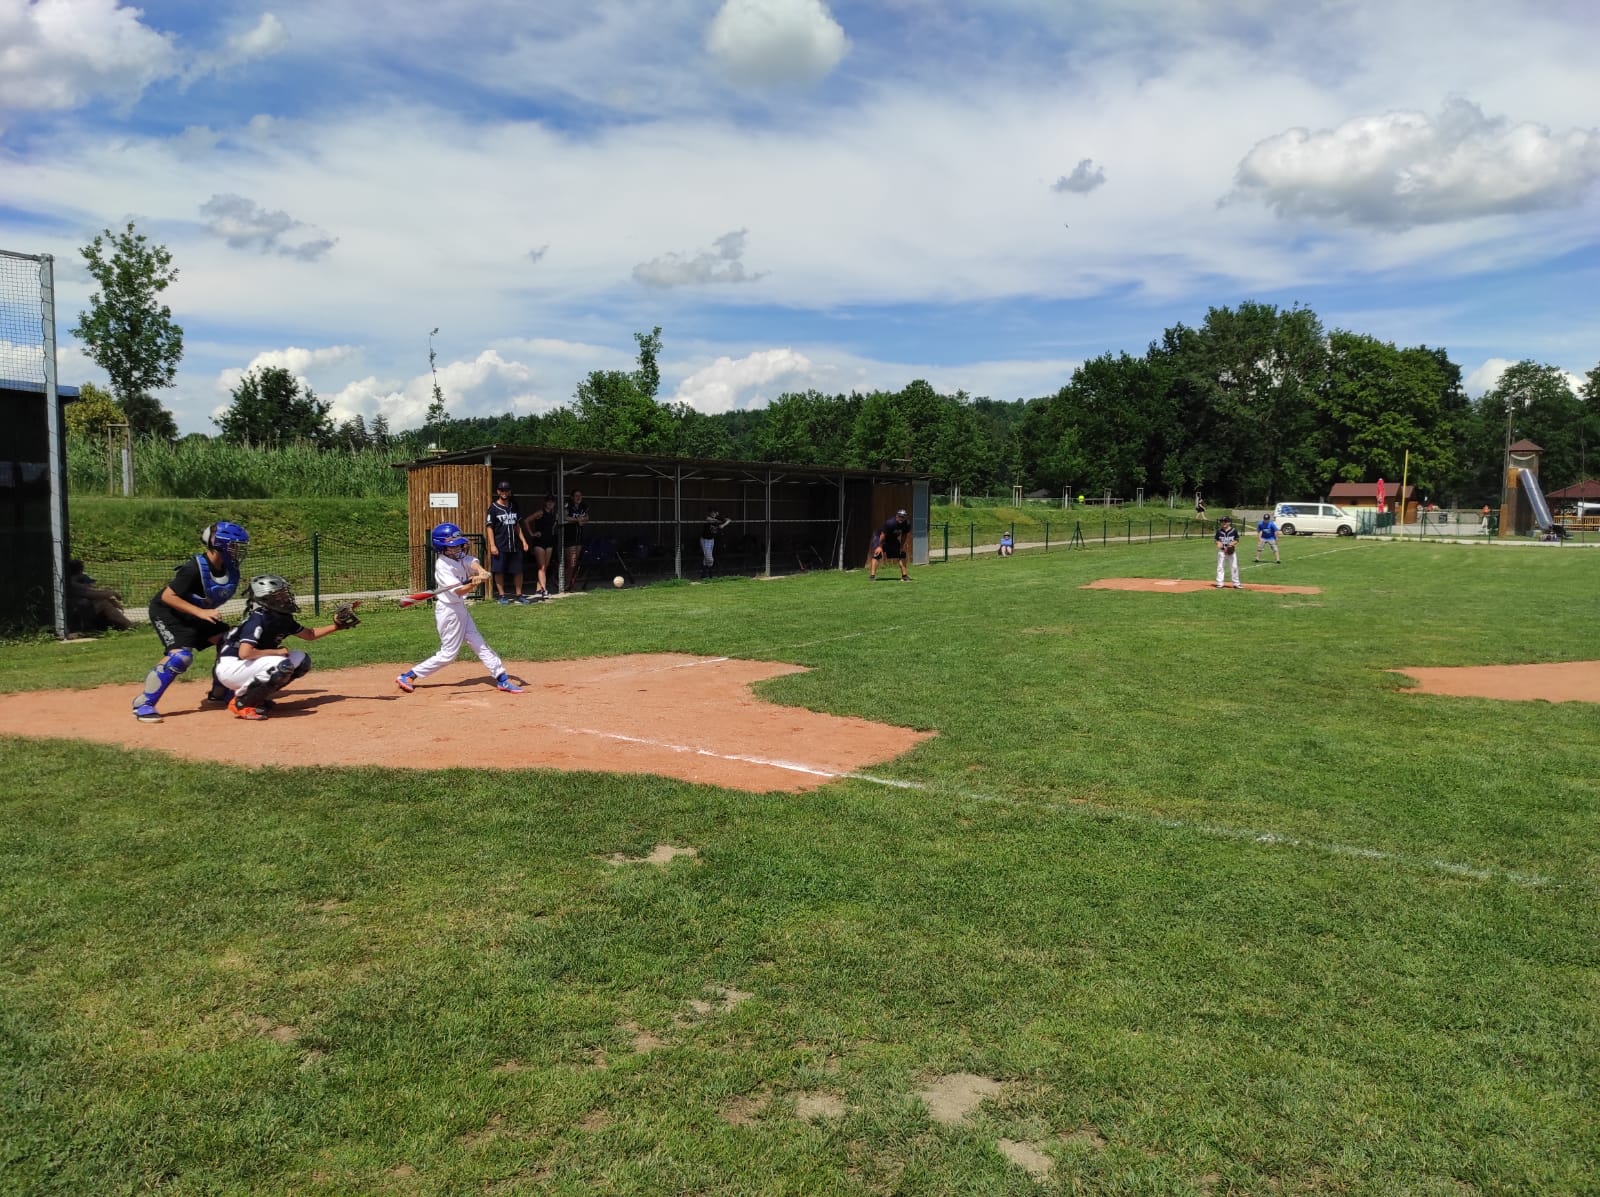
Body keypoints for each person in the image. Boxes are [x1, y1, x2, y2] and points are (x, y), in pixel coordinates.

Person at [131, 521, 249, 723]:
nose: (237, 551)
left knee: (231, 640)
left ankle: (220, 692)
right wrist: (200, 612)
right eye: (233, 546)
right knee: (181, 657)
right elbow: (168, 596)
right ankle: (143, 703)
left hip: (193, 613)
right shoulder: (193, 568)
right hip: (168, 612)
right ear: (219, 544)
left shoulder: (229, 569)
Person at [396, 523, 523, 696]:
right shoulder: (443, 565)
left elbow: (471, 561)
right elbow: (459, 591)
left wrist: (481, 571)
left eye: (459, 545)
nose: (458, 548)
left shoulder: (458, 557)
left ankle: (502, 678)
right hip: (449, 612)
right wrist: (474, 583)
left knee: (479, 644)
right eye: (453, 546)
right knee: (448, 654)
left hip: (459, 609)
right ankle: (408, 676)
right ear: (443, 547)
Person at [213, 576, 351, 720]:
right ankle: (242, 703)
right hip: (232, 667)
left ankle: (256, 698)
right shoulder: (258, 619)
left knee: (302, 660)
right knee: (282, 665)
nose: (287, 598)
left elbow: (310, 634)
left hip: (249, 664)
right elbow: (245, 653)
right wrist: (277, 652)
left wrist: (337, 626)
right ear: (267, 598)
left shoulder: (281, 618)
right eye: (280, 595)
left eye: (285, 594)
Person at [484, 480, 530, 604]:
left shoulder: (514, 506)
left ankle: (519, 595)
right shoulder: (493, 508)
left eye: (507, 490)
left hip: (514, 544)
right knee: (499, 571)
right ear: (498, 491)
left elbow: (517, 525)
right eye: (502, 490)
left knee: (518, 570)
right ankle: (502, 596)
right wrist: (492, 545)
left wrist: (524, 541)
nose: (504, 492)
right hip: (500, 544)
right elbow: (489, 527)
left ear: (510, 492)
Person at [67, 558, 131, 632]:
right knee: (103, 603)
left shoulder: (71, 582)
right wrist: (113, 593)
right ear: (80, 571)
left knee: (104, 599)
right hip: (74, 617)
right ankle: (129, 626)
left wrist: (109, 597)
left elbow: (94, 592)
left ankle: (119, 625)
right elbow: (93, 594)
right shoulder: (72, 584)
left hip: (78, 612)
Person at [520, 494, 558, 599]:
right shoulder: (540, 512)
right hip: (539, 542)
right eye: (548, 501)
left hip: (549, 541)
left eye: (552, 501)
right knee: (541, 567)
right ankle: (544, 590)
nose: (550, 503)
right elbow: (526, 521)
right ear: (545, 502)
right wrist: (532, 534)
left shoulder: (554, 515)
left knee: (545, 567)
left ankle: (538, 589)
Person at [869, 508, 912, 581]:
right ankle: (872, 576)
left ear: (905, 517)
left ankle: (904, 576)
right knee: (877, 554)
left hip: (892, 539)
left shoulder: (907, 524)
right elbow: (882, 535)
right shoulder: (890, 523)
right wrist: (880, 546)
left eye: (903, 517)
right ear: (896, 516)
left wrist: (901, 546)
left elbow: (904, 535)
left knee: (902, 553)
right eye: (900, 516)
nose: (901, 518)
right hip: (880, 537)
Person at [562, 488, 589, 592]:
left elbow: (587, 517)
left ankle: (569, 584)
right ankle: (564, 584)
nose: (578, 498)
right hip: (569, 537)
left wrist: (582, 519)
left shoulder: (583, 506)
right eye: (576, 496)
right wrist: (577, 520)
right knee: (571, 562)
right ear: (572, 497)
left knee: (574, 563)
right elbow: (564, 517)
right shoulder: (568, 505)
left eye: (580, 495)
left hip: (579, 538)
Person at [699, 506, 732, 579]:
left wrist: (723, 525)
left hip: (711, 540)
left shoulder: (718, 517)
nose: (713, 513)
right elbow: (709, 519)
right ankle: (708, 575)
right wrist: (719, 521)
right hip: (705, 539)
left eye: (714, 512)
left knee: (706, 558)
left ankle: (706, 576)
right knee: (710, 559)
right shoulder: (708, 517)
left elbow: (729, 520)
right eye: (712, 512)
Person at [1214, 514, 1242, 589]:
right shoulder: (1219, 531)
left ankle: (1236, 583)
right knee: (1220, 567)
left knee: (1234, 566)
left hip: (1231, 551)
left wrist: (1232, 544)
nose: (1223, 523)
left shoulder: (1233, 530)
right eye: (1222, 521)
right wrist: (1218, 543)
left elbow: (1237, 540)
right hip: (1222, 551)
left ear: (1229, 522)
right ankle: (1220, 583)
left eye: (1225, 521)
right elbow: (1216, 540)